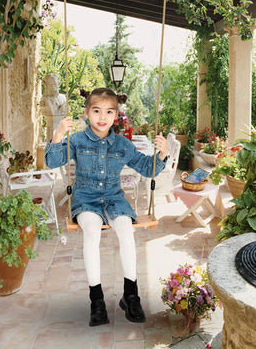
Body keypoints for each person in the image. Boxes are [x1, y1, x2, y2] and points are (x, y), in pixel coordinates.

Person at [44, 88, 169, 327]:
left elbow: (147, 168)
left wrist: (162, 153)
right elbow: (52, 161)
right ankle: (97, 301)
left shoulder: (123, 144)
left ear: (116, 116)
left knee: (125, 229)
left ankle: (130, 295)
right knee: (91, 231)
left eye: (109, 112)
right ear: (87, 113)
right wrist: (58, 134)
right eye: (97, 111)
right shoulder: (77, 140)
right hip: (86, 199)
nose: (102, 117)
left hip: (114, 198)